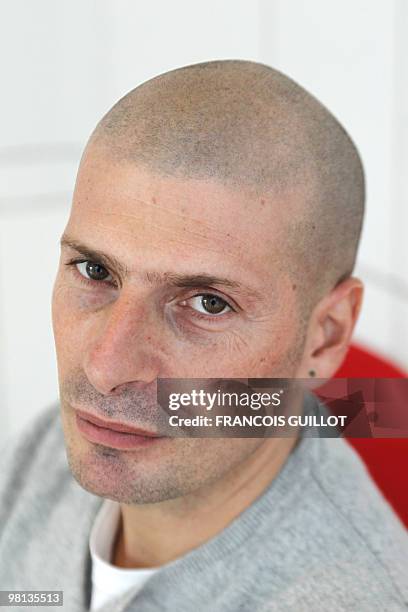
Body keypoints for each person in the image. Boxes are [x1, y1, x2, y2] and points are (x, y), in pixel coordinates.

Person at [0, 60, 406, 612]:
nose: (105, 368)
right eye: (96, 271)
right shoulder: (65, 441)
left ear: (325, 336)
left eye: (207, 304)